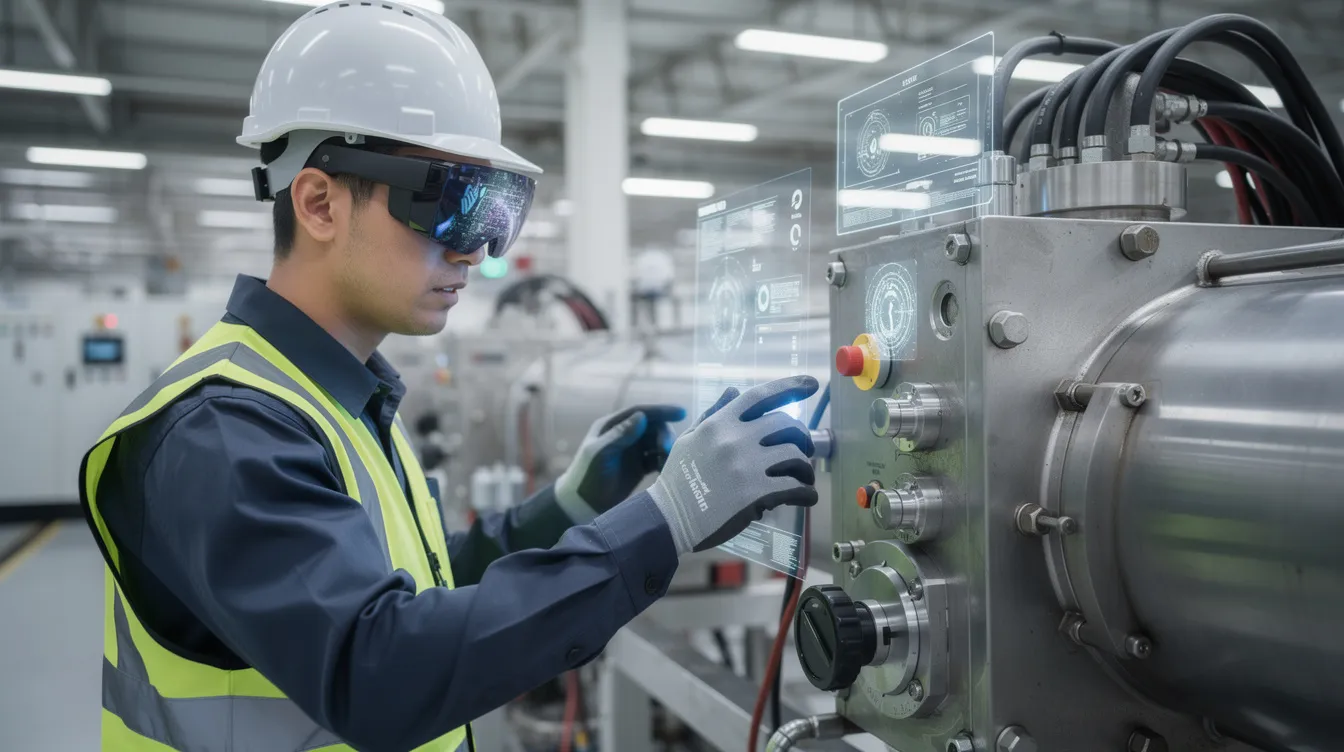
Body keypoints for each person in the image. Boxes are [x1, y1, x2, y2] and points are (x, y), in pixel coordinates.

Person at [76, 3, 819, 751]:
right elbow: (378, 669)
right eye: (446, 205)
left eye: (496, 212)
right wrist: (667, 518)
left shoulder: (345, 397)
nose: (476, 252)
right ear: (319, 202)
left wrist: (564, 507)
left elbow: (418, 581)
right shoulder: (222, 430)